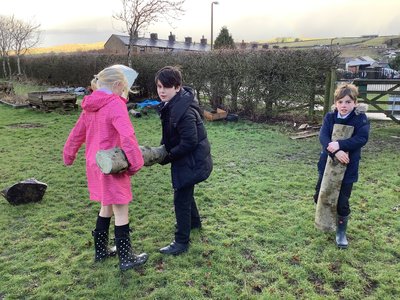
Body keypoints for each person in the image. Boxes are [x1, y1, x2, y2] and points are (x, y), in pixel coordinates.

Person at [63, 65, 148, 271]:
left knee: (106, 206)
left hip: (95, 164)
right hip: (112, 165)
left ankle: (101, 252)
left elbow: (77, 133)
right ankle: (126, 258)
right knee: (120, 208)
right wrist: (136, 163)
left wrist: (69, 154)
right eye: (123, 88)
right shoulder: (115, 105)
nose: (123, 92)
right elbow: (127, 136)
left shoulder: (89, 106)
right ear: (118, 85)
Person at [155, 66, 213, 255]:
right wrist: (164, 147)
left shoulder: (184, 111)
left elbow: (189, 141)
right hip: (189, 159)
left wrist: (169, 155)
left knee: (181, 195)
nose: (162, 91)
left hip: (192, 160)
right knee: (186, 190)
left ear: (178, 87)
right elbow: (171, 133)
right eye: (159, 87)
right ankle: (194, 223)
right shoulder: (173, 104)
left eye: (167, 87)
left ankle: (181, 242)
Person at [314, 83, 370, 249]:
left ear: (354, 102)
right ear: (335, 103)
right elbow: (323, 137)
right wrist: (335, 152)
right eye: (340, 102)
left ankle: (341, 232)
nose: (343, 106)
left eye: (348, 102)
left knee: (342, 202)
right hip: (327, 164)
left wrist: (339, 144)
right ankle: (324, 221)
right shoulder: (330, 117)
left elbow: (362, 139)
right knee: (319, 196)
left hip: (348, 168)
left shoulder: (360, 118)